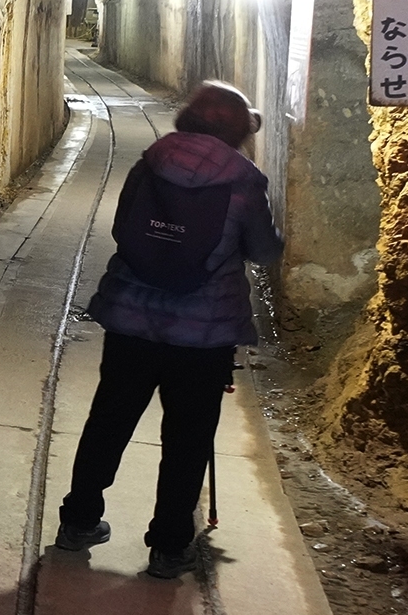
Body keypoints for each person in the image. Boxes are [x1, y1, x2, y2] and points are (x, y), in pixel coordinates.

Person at [53, 80, 283, 580]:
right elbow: (264, 252)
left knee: (108, 419)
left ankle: (78, 522)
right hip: (203, 336)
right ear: (241, 130)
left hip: (131, 320)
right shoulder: (244, 181)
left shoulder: (150, 161)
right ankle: (169, 546)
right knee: (187, 437)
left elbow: (122, 229)